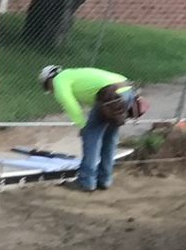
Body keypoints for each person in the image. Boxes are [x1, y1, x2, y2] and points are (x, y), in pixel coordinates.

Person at [41, 64, 142, 193]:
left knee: (91, 138)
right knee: (110, 138)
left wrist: (83, 126)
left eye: (48, 87)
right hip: (127, 90)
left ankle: (86, 181)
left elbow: (69, 104)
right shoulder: (72, 74)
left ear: (49, 80)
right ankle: (105, 180)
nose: (51, 90)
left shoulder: (59, 80)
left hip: (109, 94)